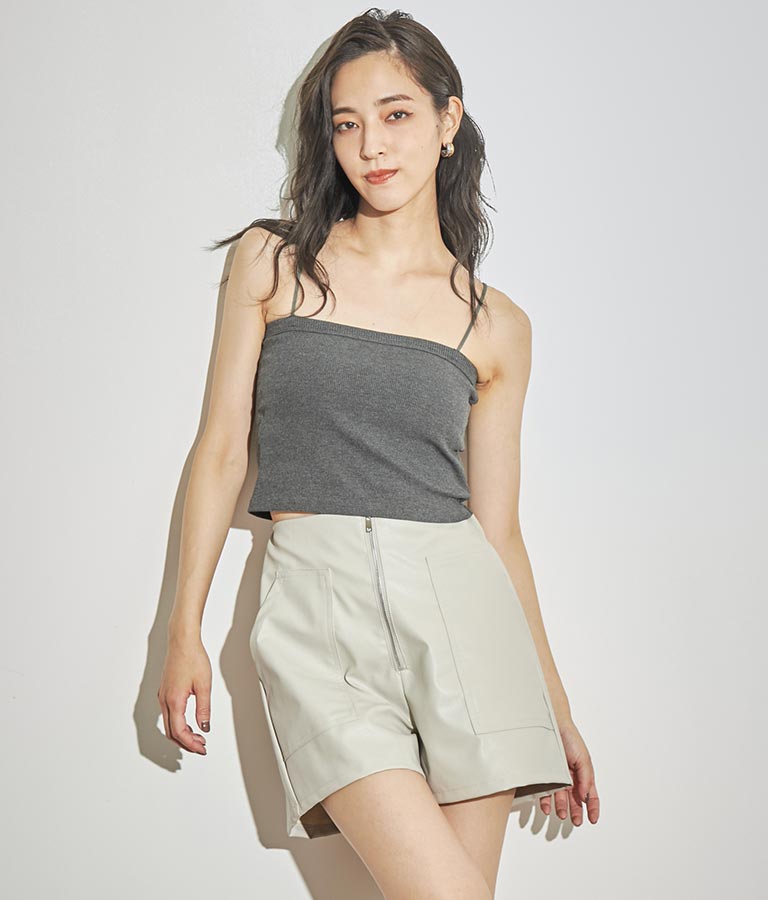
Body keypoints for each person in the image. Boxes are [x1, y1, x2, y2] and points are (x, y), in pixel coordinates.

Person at [158, 8, 600, 898]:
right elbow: (220, 451)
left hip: (466, 617)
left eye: (397, 114)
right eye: (346, 123)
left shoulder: (496, 324)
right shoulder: (275, 263)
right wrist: (183, 628)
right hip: (317, 609)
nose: (371, 146)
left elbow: (500, 532)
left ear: (447, 120)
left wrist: (555, 702)